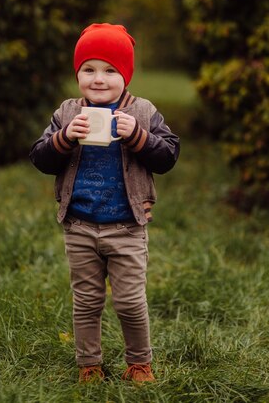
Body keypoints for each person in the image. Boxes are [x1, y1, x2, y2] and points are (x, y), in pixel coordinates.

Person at [29, 23, 180, 383]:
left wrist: (138, 137)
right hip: (80, 225)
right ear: (78, 74)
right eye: (89, 69)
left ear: (125, 75)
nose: (99, 79)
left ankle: (140, 363)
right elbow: (40, 158)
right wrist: (64, 138)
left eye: (111, 70)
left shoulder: (142, 112)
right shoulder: (67, 113)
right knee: (86, 302)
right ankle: (89, 365)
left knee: (129, 301)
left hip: (126, 226)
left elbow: (168, 156)